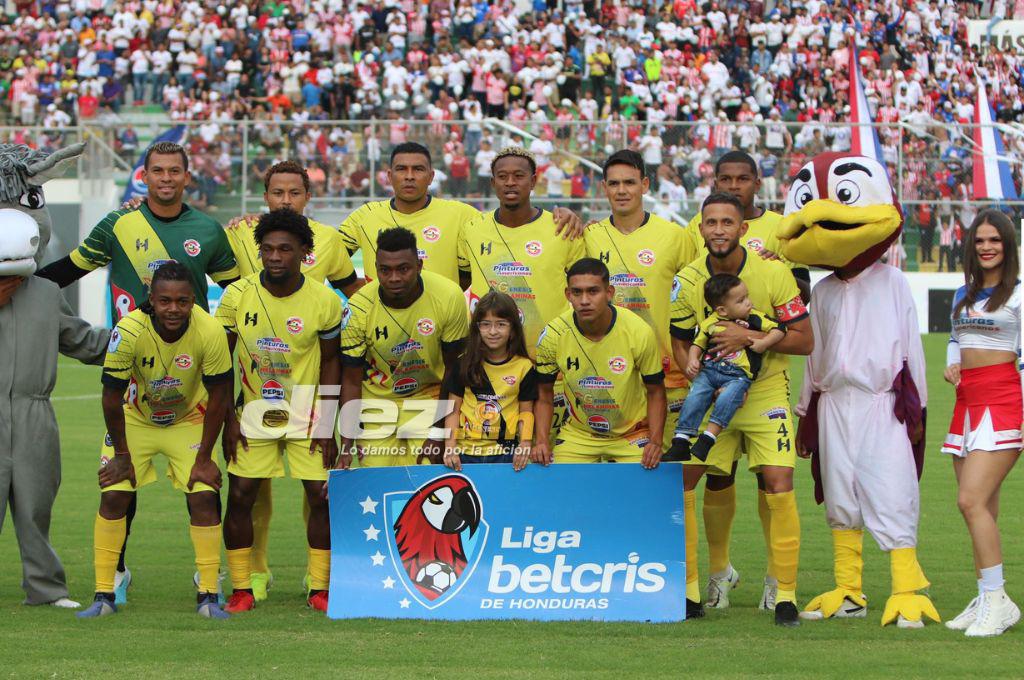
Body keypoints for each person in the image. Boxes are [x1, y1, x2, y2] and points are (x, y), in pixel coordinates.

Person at [36, 140, 239, 605]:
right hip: (132, 374)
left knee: (202, 486)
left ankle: (206, 579)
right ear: (143, 177)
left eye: (175, 171)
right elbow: (70, 268)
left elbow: (239, 291)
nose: (166, 179)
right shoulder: (118, 224)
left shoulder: (207, 230)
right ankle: (118, 571)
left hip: (193, 379)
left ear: (188, 177)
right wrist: (20, 285)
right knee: (119, 486)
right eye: (158, 171)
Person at [220, 160, 361, 602]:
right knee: (241, 494)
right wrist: (227, 419)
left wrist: (329, 424)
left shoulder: (323, 299)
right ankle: (243, 585)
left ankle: (320, 586)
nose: (276, 257)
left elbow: (331, 363)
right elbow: (220, 366)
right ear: (259, 249)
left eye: (286, 250)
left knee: (320, 496)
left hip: (308, 413)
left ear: (304, 252)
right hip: (255, 411)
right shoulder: (236, 295)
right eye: (268, 249)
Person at [670, 193, 812, 626]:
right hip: (713, 395)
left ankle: (783, 591)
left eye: (727, 222)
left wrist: (746, 338)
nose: (718, 230)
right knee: (686, 481)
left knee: (778, 482)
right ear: (701, 228)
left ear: (742, 229)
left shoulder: (773, 271)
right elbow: (679, 339)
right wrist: (698, 374)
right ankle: (700, 586)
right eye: (710, 222)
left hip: (765, 392)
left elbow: (804, 340)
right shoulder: (687, 278)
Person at [77, 262, 232, 619]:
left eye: (182, 301)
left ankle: (208, 591)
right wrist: (121, 455)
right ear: (152, 299)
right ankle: (105, 592)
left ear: (195, 299)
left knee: (205, 496)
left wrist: (206, 457)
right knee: (114, 492)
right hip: (135, 419)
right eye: (165, 301)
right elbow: (110, 397)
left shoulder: (209, 330)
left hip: (189, 420)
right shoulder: (129, 330)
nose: (173, 309)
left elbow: (221, 394)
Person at [458, 147, 585, 437]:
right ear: (492, 182)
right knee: (490, 455)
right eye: (502, 176)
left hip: (547, 367)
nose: (510, 183)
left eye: (518, 176)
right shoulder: (472, 229)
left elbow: (582, 289)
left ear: (534, 180)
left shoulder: (562, 229)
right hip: (489, 367)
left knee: (545, 457)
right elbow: (463, 280)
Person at [339, 142, 583, 289]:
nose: (410, 176)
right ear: (389, 176)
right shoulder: (365, 215)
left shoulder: (462, 215)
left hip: (445, 333)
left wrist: (564, 213)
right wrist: (359, 294)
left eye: (418, 169)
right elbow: (329, 255)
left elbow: (512, 219)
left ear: (432, 177)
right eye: (402, 170)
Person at [585, 149, 698, 448]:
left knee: (674, 475)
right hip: (606, 376)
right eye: (614, 183)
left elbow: (695, 301)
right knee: (611, 473)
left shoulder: (675, 236)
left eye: (630, 183)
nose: (622, 191)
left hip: (668, 377)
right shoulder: (589, 236)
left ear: (645, 185)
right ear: (604, 188)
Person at [942, 210, 1021, 637]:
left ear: (1008, 246)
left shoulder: (1021, 295)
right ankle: (989, 596)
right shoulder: (963, 294)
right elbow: (957, 340)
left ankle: (996, 599)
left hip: (1004, 400)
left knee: (969, 500)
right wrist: (952, 367)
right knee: (983, 507)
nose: (987, 247)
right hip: (966, 400)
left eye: (995, 241)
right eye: (979, 241)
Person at [340, 227, 469, 468]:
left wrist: (438, 432)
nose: (394, 278)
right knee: (378, 483)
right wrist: (346, 445)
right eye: (385, 270)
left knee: (427, 481)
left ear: (419, 266)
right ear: (376, 268)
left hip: (429, 396)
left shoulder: (449, 296)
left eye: (403, 269)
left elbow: (454, 369)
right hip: (377, 401)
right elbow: (350, 378)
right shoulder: (358, 308)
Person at [533, 257, 665, 468]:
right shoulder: (554, 334)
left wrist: (656, 442)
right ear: (568, 295)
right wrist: (541, 441)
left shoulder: (638, 331)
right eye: (577, 292)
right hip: (580, 434)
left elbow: (656, 392)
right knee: (560, 490)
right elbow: (544, 394)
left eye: (593, 291)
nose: (584, 300)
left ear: (609, 293)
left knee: (644, 491)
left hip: (631, 434)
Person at [669, 274, 784, 462]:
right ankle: (681, 439)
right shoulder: (711, 322)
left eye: (747, 296)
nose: (749, 303)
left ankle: (708, 438)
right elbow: (698, 343)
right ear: (722, 310)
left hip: (738, 376)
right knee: (695, 395)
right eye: (741, 300)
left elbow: (779, 329)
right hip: (710, 371)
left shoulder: (755, 318)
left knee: (727, 399)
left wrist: (764, 343)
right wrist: (692, 359)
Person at [442, 291, 537, 472]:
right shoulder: (463, 363)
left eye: (501, 324)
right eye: (486, 325)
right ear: (477, 328)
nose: (493, 331)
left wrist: (525, 443)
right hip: (465, 454)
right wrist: (450, 446)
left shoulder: (524, 367)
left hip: (506, 454)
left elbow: (526, 412)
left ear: (513, 330)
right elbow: (453, 411)